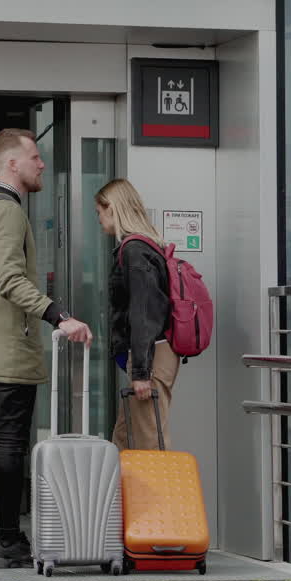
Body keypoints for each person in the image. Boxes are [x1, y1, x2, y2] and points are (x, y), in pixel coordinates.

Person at [0, 128, 93, 568]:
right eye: (34, 157)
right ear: (11, 164)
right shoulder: (10, 212)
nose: (41, 164)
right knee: (8, 446)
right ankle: (10, 543)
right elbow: (12, 281)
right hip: (8, 351)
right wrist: (60, 315)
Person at [94, 178, 181, 451]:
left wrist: (142, 372)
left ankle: (158, 495)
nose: (99, 219)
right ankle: (120, 496)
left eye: (99, 212)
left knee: (148, 441)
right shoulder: (142, 247)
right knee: (124, 438)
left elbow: (143, 312)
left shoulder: (135, 250)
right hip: (151, 355)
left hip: (150, 357)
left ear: (112, 208)